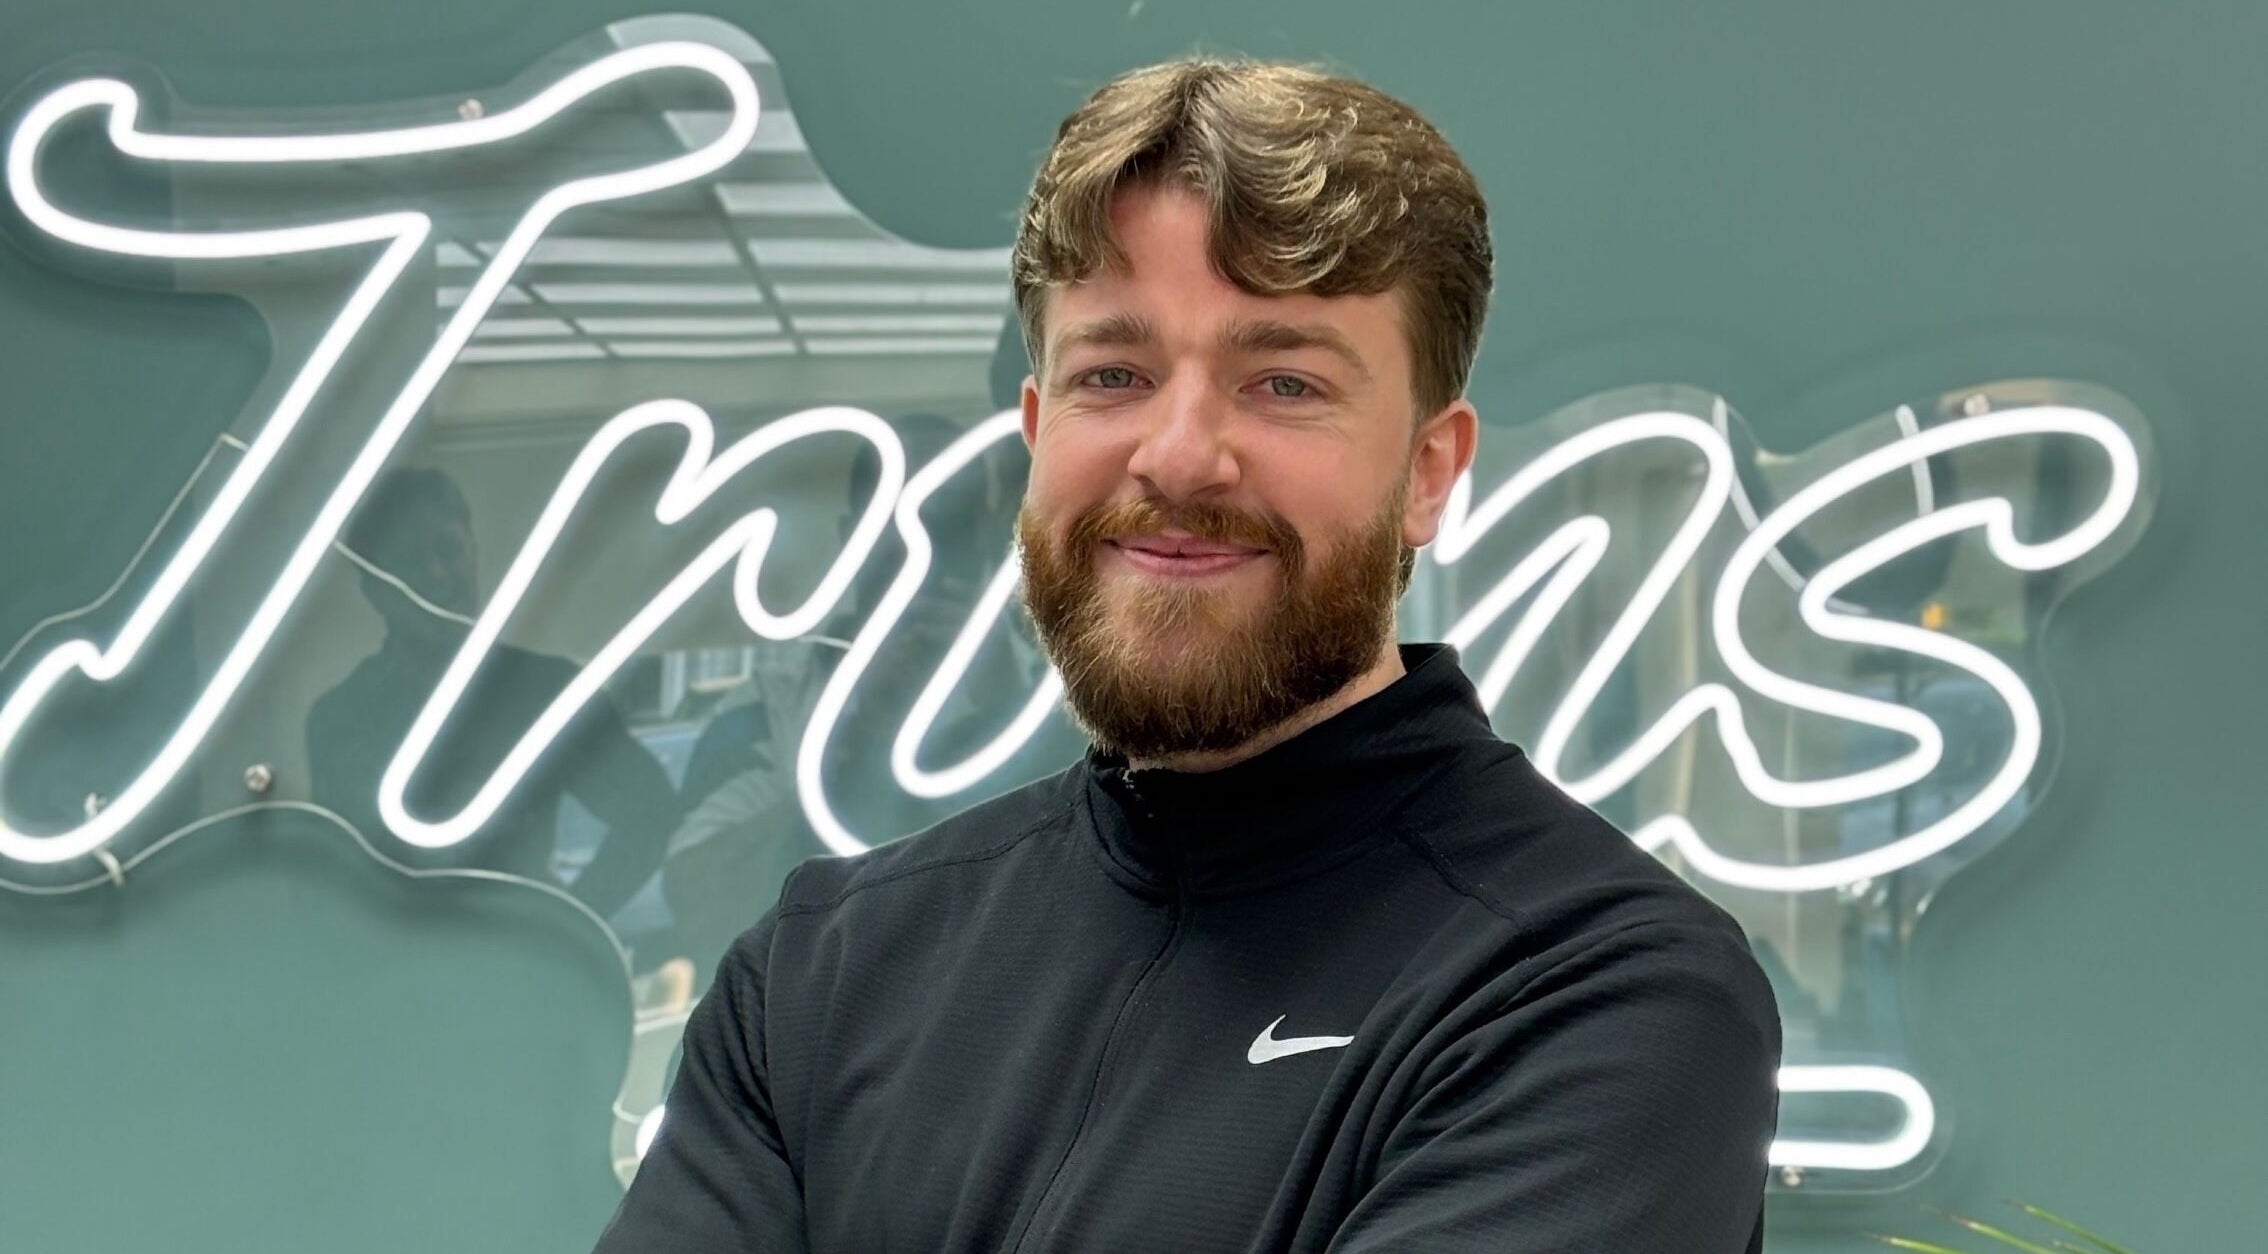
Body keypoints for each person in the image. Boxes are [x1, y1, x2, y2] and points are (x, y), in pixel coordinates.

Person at [593, 57, 1781, 1253]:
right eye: (1114, 373)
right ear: (1040, 429)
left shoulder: (1594, 997)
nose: (1176, 456)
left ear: (1428, 471)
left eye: (1282, 382)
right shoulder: (823, 971)